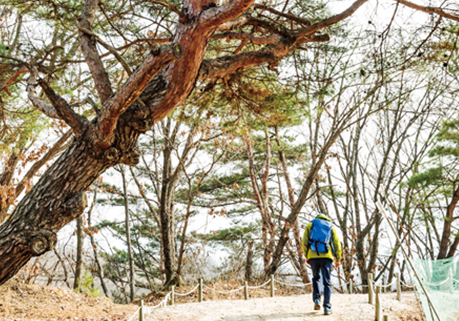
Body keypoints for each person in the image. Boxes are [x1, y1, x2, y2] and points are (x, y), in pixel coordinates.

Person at [302, 213, 342, 315]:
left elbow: (304, 242)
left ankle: (316, 299)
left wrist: (307, 255)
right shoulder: (330, 226)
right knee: (327, 282)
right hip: (327, 257)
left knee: (316, 278)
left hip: (313, 257)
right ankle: (327, 307)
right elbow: (336, 243)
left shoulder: (310, 225)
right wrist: (338, 258)